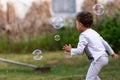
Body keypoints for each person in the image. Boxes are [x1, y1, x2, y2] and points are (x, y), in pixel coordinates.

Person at [63, 11, 119, 80]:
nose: (76, 25)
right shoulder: (94, 32)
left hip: (98, 59)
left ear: (80, 24)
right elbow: (105, 43)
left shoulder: (83, 35)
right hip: (104, 57)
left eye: (76, 23)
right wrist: (112, 53)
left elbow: (80, 51)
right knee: (94, 77)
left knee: (89, 78)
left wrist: (70, 50)